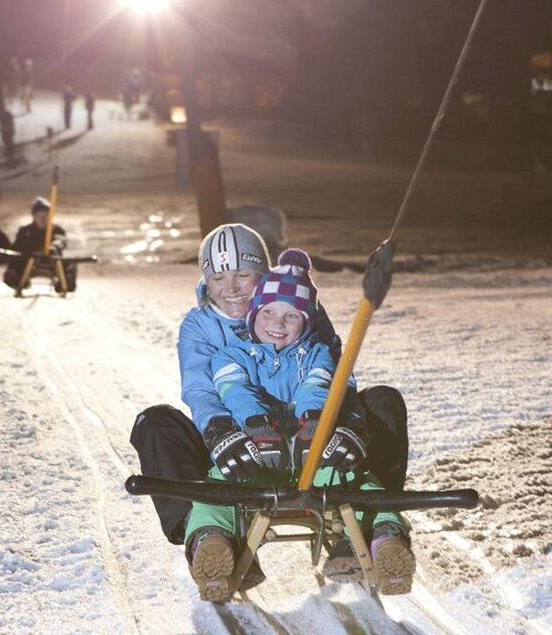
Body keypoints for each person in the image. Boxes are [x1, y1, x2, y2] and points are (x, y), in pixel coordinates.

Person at [128, 225, 409, 575]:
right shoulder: (199, 325)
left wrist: (347, 426)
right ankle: (211, 540)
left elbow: (335, 378)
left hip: (312, 438)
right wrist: (223, 433)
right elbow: (203, 390)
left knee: (383, 401)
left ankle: (369, 529)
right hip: (237, 441)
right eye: (217, 278)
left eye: (243, 275)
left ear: (263, 273)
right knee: (155, 422)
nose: (230, 288)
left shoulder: (301, 310)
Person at [184, 248, 415, 601]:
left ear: (307, 323)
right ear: (254, 315)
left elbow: (319, 386)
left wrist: (315, 424)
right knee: (217, 488)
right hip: (258, 455)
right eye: (270, 312)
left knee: (360, 482)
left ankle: (387, 540)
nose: (278, 322)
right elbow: (234, 390)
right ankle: (212, 545)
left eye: (292, 315)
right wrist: (255, 424)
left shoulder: (317, 354)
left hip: (313, 454)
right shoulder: (231, 356)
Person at [2, 197, 77, 293]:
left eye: (45, 216)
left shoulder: (56, 230)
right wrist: (31, 250)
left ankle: (63, 285)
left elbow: (61, 240)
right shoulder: (25, 231)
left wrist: (53, 247)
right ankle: (19, 282)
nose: (42, 219)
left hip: (52, 261)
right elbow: (18, 246)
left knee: (70, 265)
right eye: (39, 216)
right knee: (13, 263)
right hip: (28, 260)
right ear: (34, 216)